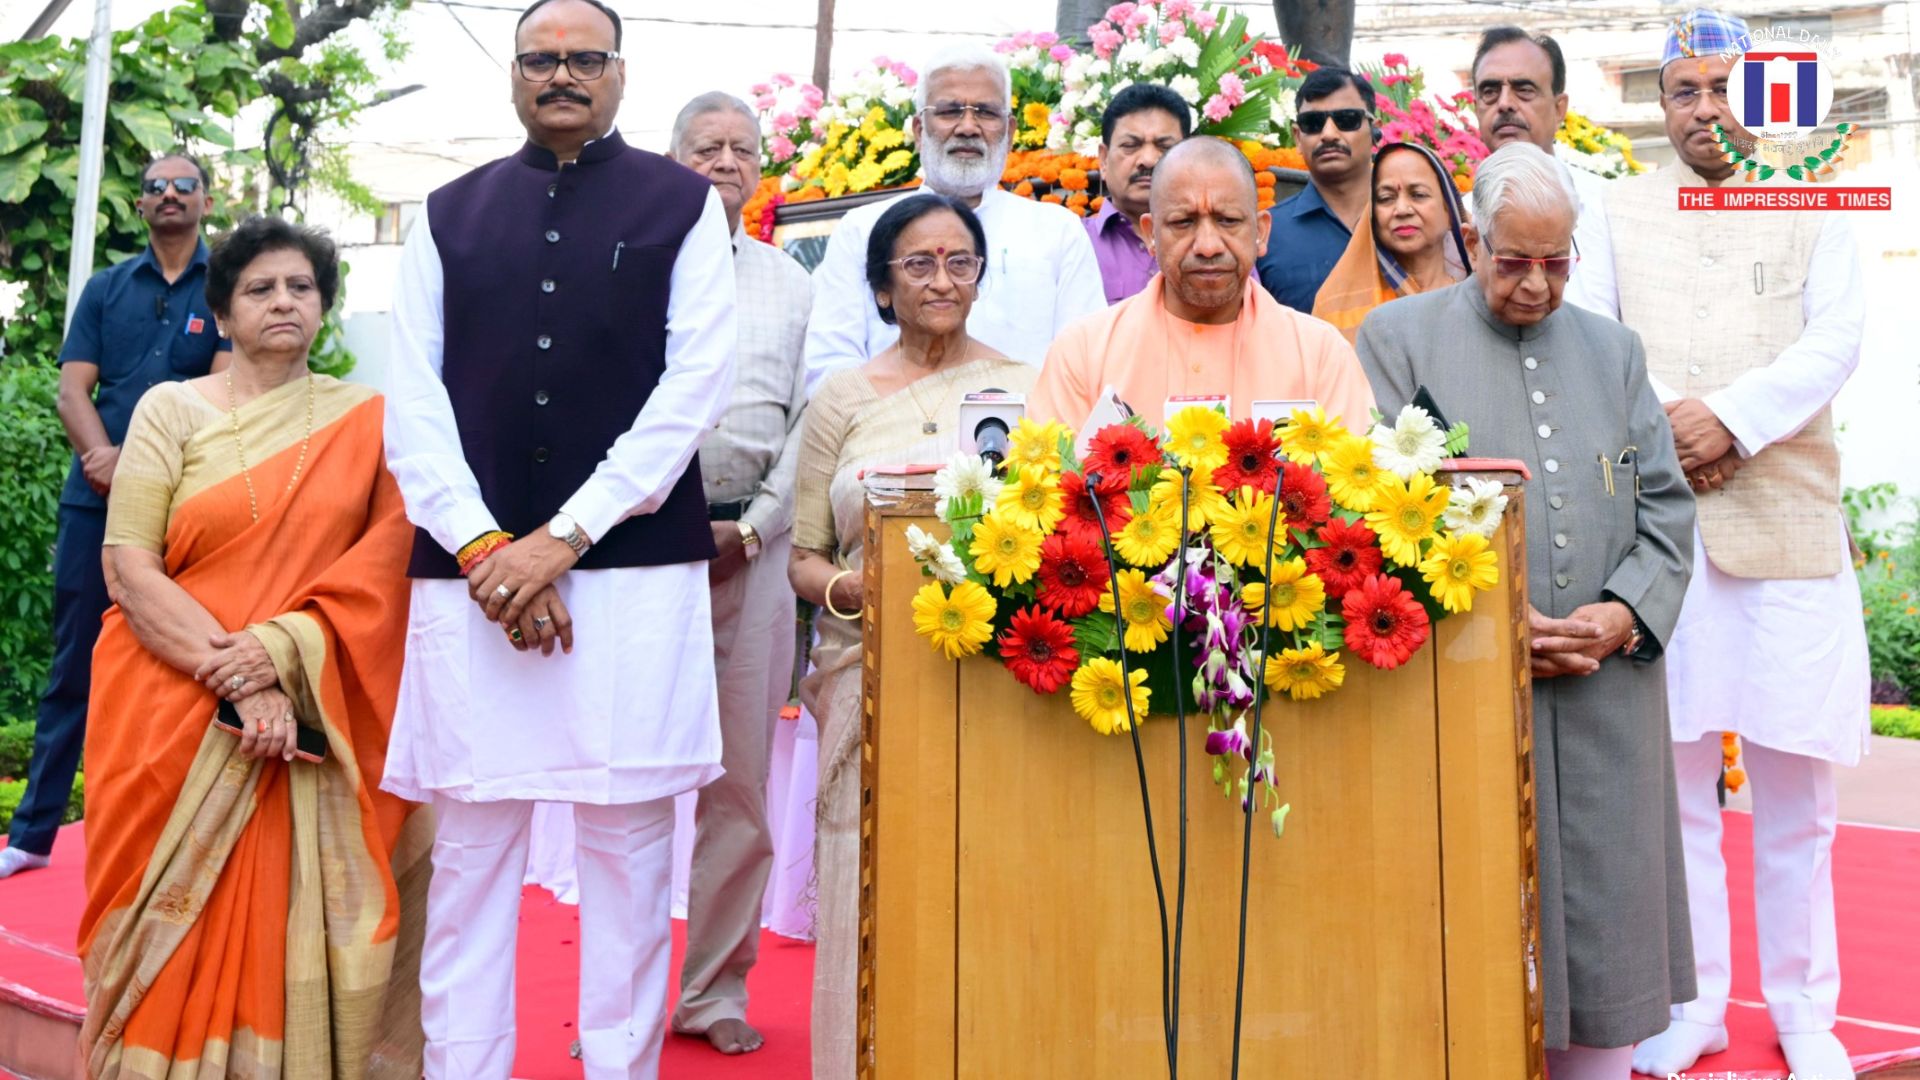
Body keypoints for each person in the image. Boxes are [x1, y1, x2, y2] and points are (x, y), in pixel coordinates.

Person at [379, 0, 737, 1075]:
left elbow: (695, 390)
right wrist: (492, 549)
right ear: (513, 76)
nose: (563, 75)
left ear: (621, 73)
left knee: (627, 866)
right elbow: (412, 403)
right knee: (471, 864)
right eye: (542, 59)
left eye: (586, 58)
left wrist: (564, 537)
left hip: (626, 579)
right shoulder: (447, 213)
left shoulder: (683, 204)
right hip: (473, 580)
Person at [1356, 142, 1696, 1080]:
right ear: (1472, 240)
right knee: (1470, 934)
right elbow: (1378, 517)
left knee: (1605, 941)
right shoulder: (1397, 342)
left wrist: (1626, 612)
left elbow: (1666, 507)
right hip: (1462, 701)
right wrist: (1493, 630)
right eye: (1515, 261)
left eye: (1558, 262)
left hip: (1605, 699)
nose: (1538, 286)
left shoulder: (1615, 351)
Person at [1587, 12, 1869, 1080]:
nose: (1707, 108)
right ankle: (1695, 1004)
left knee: (1798, 794)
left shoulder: (1820, 204)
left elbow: (1836, 341)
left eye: (1725, 87)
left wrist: (1733, 421)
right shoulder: (1611, 208)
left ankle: (1806, 1014)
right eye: (1686, 90)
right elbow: (1603, 334)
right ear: (1661, 106)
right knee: (1679, 784)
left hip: (1788, 523)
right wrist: (1679, 425)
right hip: (1664, 533)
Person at [77, 216, 426, 1076]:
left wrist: (282, 652)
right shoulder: (172, 409)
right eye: (259, 289)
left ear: (325, 308)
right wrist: (238, 678)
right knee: (157, 924)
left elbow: (387, 570)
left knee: (286, 923)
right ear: (222, 316)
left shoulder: (370, 421)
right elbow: (129, 565)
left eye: (301, 288)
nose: (282, 302)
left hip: (311, 710)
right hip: (166, 702)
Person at [790, 193, 1036, 1079]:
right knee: (872, 876)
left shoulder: (1029, 387)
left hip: (1000, 669)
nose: (942, 280)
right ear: (883, 289)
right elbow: (805, 558)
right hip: (871, 669)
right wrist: (851, 589)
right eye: (919, 265)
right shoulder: (840, 400)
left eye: (959, 262)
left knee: (996, 874)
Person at [0, 154, 229, 879]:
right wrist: (107, 460)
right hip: (93, 503)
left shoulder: (228, 285)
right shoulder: (105, 288)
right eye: (156, 187)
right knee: (74, 663)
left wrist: (141, 465)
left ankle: (182, 835)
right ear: (139, 206)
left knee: (193, 658)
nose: (169, 195)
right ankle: (32, 835)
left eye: (183, 185)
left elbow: (226, 391)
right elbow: (74, 393)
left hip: (188, 503)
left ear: (205, 200)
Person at [666, 90, 811, 1056]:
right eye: (704, 147)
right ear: (668, 161)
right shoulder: (624, 272)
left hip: (751, 552)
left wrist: (756, 531)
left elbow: (813, 419)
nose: (725, 160)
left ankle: (714, 993)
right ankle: (623, 995)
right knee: (628, 788)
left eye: (742, 148)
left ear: (762, 168)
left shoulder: (792, 282)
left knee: (741, 788)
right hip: (639, 551)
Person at [801, 43, 1104, 391]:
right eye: (950, 111)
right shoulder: (861, 230)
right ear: (918, 129)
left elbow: (1083, 361)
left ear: (1010, 132)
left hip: (1028, 437)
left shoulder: (1056, 230)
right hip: (889, 435)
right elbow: (831, 366)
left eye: (987, 113)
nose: (968, 127)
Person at [1028, 137, 1375, 432]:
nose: (1208, 245)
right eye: (1183, 222)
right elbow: (1052, 494)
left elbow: (1352, 492)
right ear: (1151, 234)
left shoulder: (1320, 355)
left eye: (1227, 221)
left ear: (1262, 232)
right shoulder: (1084, 352)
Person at [1469, 25, 1615, 315]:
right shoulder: (1457, 216)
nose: (1505, 104)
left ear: (1560, 108)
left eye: (1524, 90)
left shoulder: (1610, 207)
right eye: (1490, 91)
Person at [1311, 140, 1472, 343]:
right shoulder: (1335, 307)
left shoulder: (1480, 294)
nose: (1402, 209)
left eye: (1418, 195)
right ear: (1373, 215)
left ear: (1449, 210)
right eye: (1386, 198)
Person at [1254, 66, 1377, 313]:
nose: (1329, 134)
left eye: (1346, 119)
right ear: (1298, 137)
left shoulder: (1410, 218)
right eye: (1313, 123)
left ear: (1374, 130)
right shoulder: (1268, 235)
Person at [1086, 82, 1190, 304]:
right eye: (1131, 145)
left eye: (1164, 147)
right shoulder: (1074, 242)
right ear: (1103, 160)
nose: (1148, 160)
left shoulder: (1214, 244)